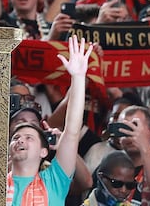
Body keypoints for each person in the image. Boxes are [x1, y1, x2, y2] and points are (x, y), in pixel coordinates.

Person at [6, 34, 92, 204]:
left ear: (43, 152)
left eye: (29, 137)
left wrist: (78, 78)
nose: (20, 141)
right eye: (16, 137)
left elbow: (72, 131)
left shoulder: (54, 181)